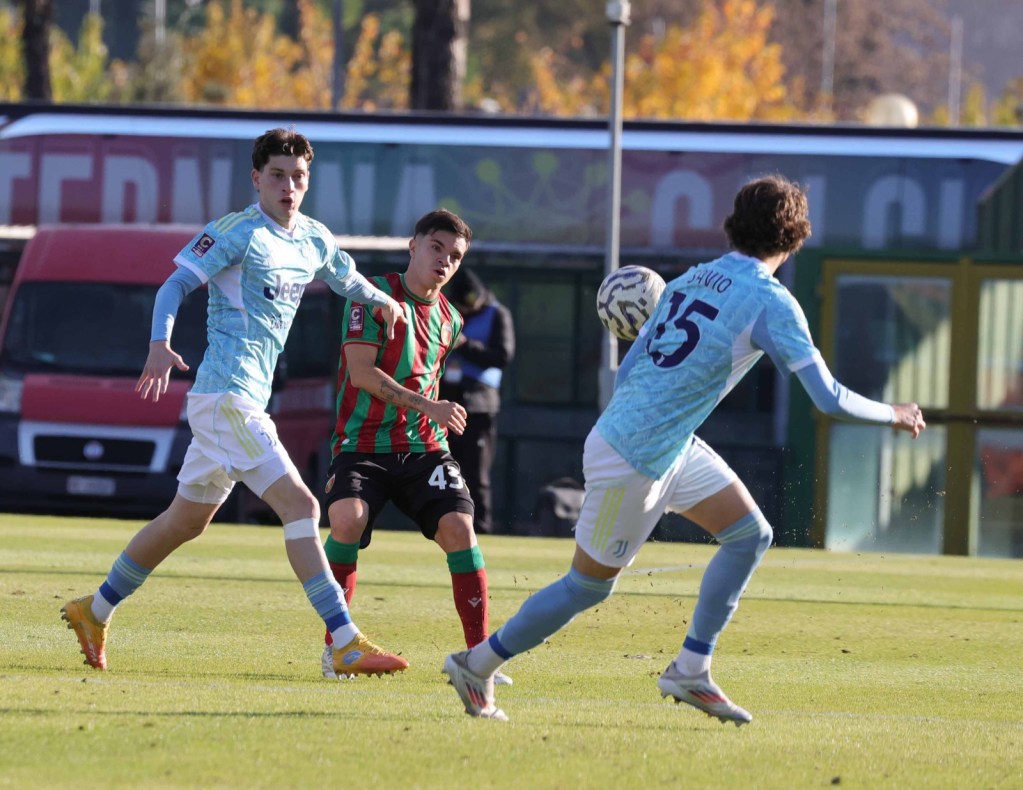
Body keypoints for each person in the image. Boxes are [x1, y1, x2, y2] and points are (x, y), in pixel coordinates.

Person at [443, 175, 927, 723]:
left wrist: (657, 421)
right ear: (797, 238)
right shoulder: (771, 301)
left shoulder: (692, 278)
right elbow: (828, 399)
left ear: (733, 225)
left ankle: (691, 669)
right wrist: (896, 413)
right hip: (636, 455)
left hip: (659, 442)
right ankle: (476, 664)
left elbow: (629, 369)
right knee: (586, 588)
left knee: (750, 534)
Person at [60, 128, 410, 678]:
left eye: (298, 177)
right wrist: (159, 342)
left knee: (185, 522)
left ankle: (94, 609)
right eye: (277, 176)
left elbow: (347, 279)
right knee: (303, 507)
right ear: (256, 179)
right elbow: (173, 286)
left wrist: (384, 299)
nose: (288, 186)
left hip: (240, 402)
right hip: (227, 397)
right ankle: (344, 642)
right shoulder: (237, 232)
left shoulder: (312, 238)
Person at [319, 209, 509, 685]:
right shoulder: (371, 295)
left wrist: (430, 414)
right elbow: (361, 373)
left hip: (424, 448)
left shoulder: (450, 319)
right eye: (436, 247)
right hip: (362, 444)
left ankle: (478, 659)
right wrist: (430, 405)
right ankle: (336, 648)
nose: (444, 261)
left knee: (460, 529)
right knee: (347, 519)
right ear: (414, 246)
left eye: (455, 256)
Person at [438, 268, 515, 535]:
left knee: (476, 473)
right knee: (444, 469)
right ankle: (443, 524)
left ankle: (481, 527)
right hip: (446, 399)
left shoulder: (498, 314)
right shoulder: (446, 312)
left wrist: (465, 344)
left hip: (479, 403)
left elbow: (503, 355)